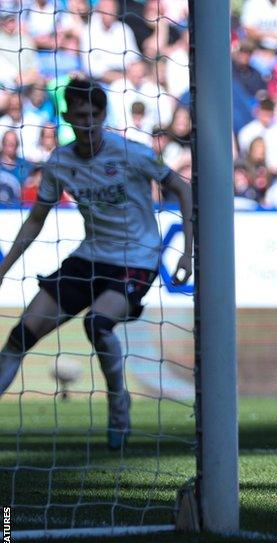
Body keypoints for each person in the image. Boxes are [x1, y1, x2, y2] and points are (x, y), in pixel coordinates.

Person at [0, 78, 193, 450]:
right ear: (68, 116)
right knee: (19, 335)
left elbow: (182, 188)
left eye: (94, 115)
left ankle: (117, 400)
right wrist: (5, 266)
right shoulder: (60, 162)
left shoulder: (131, 153)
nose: (87, 123)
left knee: (97, 323)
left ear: (103, 115)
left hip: (136, 258)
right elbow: (37, 219)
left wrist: (188, 251)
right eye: (80, 116)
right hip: (90, 256)